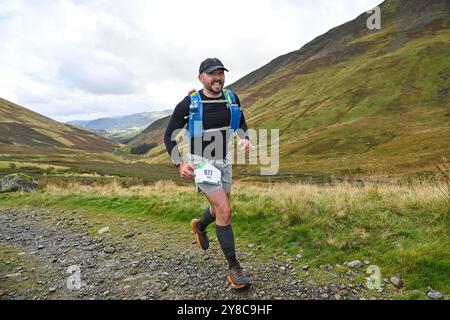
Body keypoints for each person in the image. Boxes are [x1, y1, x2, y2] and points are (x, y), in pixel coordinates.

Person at [164, 58, 252, 290]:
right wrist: (179, 164)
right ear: (201, 77)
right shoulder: (188, 104)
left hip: (224, 160)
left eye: (221, 73)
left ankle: (200, 226)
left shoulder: (231, 98)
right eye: (212, 74)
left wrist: (245, 137)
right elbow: (169, 135)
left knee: (217, 208)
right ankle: (235, 270)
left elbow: (241, 122)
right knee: (224, 210)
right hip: (202, 163)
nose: (218, 78)